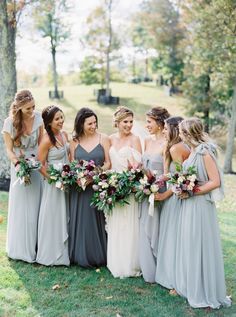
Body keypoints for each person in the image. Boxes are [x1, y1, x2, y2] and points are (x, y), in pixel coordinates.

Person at [175, 118, 231, 308]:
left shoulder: (204, 152)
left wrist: (192, 191)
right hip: (190, 205)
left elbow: (215, 181)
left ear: (188, 133)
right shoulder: (191, 152)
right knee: (190, 244)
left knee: (199, 243)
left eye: (181, 132)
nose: (180, 135)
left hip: (200, 206)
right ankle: (193, 286)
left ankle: (205, 291)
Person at [2, 90, 43, 263]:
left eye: (33, 106)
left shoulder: (39, 118)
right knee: (21, 206)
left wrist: (38, 162)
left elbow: (41, 144)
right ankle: (19, 248)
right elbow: (9, 150)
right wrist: (18, 164)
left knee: (36, 205)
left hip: (36, 165)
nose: (32, 111)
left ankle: (35, 246)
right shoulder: (9, 123)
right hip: (19, 165)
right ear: (18, 108)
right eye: (28, 109)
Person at [69, 107, 110, 268]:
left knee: (95, 220)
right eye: (90, 123)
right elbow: (72, 163)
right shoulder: (74, 141)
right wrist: (79, 177)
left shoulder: (103, 138)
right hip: (79, 188)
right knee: (80, 220)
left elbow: (108, 163)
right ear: (81, 124)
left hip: (96, 186)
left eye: (95, 122)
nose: (94, 126)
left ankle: (97, 255)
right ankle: (78, 254)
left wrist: (95, 175)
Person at [155, 116, 190, 290]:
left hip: (175, 196)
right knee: (169, 234)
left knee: (173, 235)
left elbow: (181, 178)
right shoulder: (171, 147)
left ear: (174, 130)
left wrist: (164, 195)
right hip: (173, 193)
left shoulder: (177, 148)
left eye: (166, 128)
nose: (163, 130)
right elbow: (168, 174)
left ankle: (173, 276)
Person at [107, 106, 142, 278]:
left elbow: (138, 167)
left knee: (129, 225)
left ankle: (130, 264)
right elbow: (108, 163)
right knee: (115, 224)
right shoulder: (110, 139)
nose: (129, 125)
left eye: (131, 121)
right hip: (113, 187)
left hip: (129, 188)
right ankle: (115, 261)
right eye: (125, 122)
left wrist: (129, 179)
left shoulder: (135, 139)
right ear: (117, 122)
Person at [139, 107, 170, 283]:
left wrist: (155, 182)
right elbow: (146, 166)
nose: (147, 125)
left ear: (159, 123)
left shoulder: (167, 143)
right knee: (145, 227)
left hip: (160, 191)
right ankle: (148, 269)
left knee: (158, 228)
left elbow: (167, 172)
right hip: (146, 190)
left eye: (149, 122)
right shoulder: (147, 141)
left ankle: (161, 268)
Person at [36, 105, 70, 266]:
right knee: (53, 215)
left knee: (65, 213)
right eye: (57, 119)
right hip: (53, 183)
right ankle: (50, 253)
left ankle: (64, 251)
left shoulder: (64, 135)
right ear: (49, 122)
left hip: (66, 180)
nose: (61, 121)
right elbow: (39, 165)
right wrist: (54, 180)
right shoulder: (46, 139)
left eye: (62, 117)